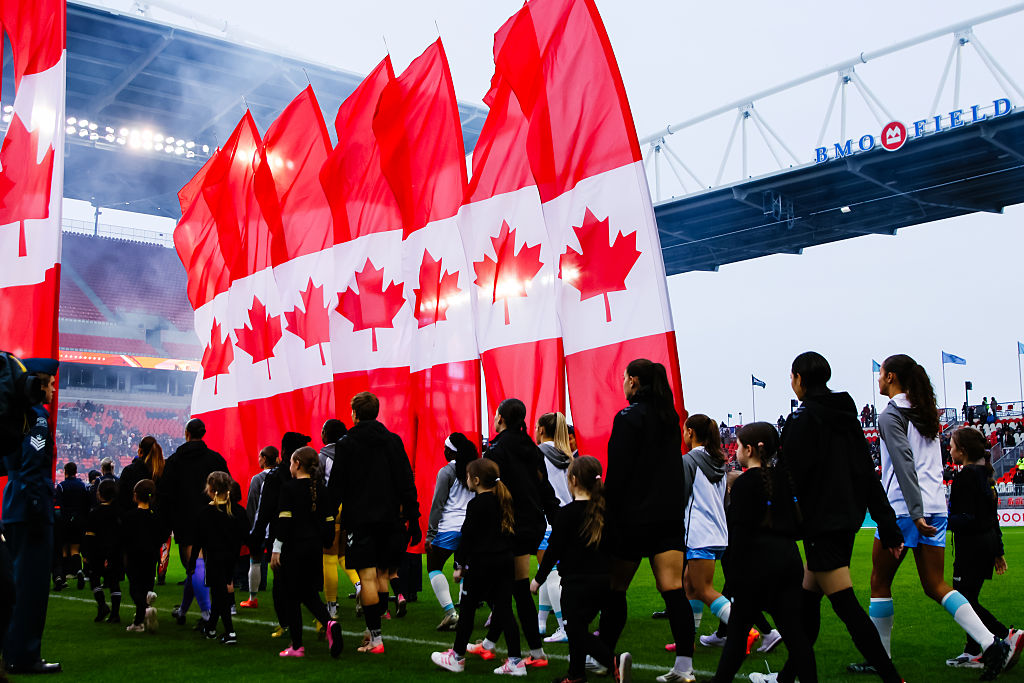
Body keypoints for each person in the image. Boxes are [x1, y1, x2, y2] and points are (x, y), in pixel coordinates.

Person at [855, 355, 1014, 679]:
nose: (879, 379)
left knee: (879, 581)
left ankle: (880, 659)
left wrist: (913, 513)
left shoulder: (890, 414)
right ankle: (991, 643)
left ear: (891, 377)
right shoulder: (925, 412)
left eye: (882, 374)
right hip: (936, 505)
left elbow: (902, 463)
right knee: (935, 584)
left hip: (905, 508)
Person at [778, 351, 904, 683]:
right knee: (808, 602)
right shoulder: (846, 416)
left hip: (820, 522)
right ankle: (786, 677)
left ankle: (892, 677)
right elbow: (866, 472)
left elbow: (787, 475)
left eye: (792, 378)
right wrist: (887, 525)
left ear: (800, 379)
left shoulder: (801, 420)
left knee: (845, 606)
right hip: (845, 519)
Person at [599, 359, 688, 683]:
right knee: (673, 589)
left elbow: (620, 472)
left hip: (633, 517)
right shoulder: (669, 418)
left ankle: (603, 655)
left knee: (615, 587)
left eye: (624, 378)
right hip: (668, 517)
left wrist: (608, 512)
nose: (623, 383)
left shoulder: (628, 417)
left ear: (634, 381)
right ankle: (684, 669)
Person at [708, 422, 815, 683]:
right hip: (788, 563)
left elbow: (739, 535)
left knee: (736, 636)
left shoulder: (744, 485)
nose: (736, 451)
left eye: (740, 446)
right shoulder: (784, 480)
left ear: (751, 449)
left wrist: (734, 575)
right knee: (796, 638)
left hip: (755, 569)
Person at [328, 391, 419, 654]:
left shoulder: (347, 444)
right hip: (391, 519)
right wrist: (412, 518)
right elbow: (406, 481)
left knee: (367, 577)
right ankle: (372, 630)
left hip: (361, 520)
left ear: (355, 414)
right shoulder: (392, 441)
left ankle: (376, 639)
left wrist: (326, 517)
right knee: (381, 575)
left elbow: (337, 486)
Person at [474, 398, 559, 666]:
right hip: (533, 524)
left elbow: (491, 492)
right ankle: (494, 644)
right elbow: (544, 488)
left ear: (500, 417)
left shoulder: (496, 449)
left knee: (509, 588)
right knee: (516, 586)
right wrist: (556, 518)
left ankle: (531, 653)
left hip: (510, 525)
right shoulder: (531, 448)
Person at [532, 455, 632, 683]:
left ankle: (612, 660)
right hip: (604, 583)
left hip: (576, 585)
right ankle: (575, 675)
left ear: (573, 480)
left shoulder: (566, 515)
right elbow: (618, 547)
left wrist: (538, 579)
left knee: (575, 632)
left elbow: (553, 551)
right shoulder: (606, 513)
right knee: (578, 628)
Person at [430, 458, 524, 675]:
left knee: (468, 609)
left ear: (477, 480)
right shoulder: (504, 500)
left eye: (468, 476)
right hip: (504, 562)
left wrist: (459, 565)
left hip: (482, 564)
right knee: (504, 610)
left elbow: (468, 537)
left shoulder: (476, 504)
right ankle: (516, 661)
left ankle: (457, 657)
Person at [945, 427, 1023, 669]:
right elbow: (992, 519)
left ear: (963, 450)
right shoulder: (984, 477)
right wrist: (998, 552)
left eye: (952, 445)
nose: (949, 449)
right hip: (985, 545)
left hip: (972, 547)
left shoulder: (966, 476)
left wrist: (938, 521)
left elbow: (968, 518)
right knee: (967, 598)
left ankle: (1007, 635)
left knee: (961, 600)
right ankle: (971, 650)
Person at [3, 357, 61, 674]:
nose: (53, 389)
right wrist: (40, 509)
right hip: (31, 510)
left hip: (14, 507)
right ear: (38, 384)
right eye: (50, 383)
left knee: (14, 586)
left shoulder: (14, 417)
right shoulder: (37, 418)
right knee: (31, 589)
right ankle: (25, 656)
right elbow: (32, 467)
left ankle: (12, 651)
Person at [159, 418, 229, 631]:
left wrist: (167, 522)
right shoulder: (215, 458)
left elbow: (165, 494)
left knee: (195, 565)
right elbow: (228, 486)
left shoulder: (174, 461)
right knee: (196, 567)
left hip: (186, 520)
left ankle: (207, 615)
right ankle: (183, 610)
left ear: (187, 434)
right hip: (215, 517)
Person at [272, 446, 342, 658]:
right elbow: (329, 521)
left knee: (291, 597)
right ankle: (329, 622)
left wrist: (277, 548)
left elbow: (284, 521)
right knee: (308, 593)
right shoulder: (322, 490)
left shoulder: (289, 488)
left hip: (293, 548)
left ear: (297, 464)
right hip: (314, 549)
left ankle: (297, 646)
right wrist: (325, 541)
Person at [254, 432, 311, 638]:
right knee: (305, 584)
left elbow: (266, 510)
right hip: (308, 538)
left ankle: (287, 625)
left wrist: (257, 535)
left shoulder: (277, 478)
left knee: (281, 584)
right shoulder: (314, 478)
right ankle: (324, 619)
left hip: (281, 537)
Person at [680, 414, 731, 644]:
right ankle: (688, 639)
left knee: (703, 589)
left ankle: (745, 629)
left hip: (699, 534)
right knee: (690, 585)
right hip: (718, 531)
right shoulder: (719, 461)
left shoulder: (689, 460)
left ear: (690, 432)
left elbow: (680, 497)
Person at [425, 433, 478, 632]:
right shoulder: (474, 469)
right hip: (471, 528)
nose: (443, 451)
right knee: (466, 568)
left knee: (434, 567)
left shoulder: (446, 471)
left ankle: (450, 613)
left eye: (445, 448)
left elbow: (437, 505)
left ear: (450, 451)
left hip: (448, 528)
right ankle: (466, 613)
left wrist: (431, 534)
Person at [190, 471, 248, 645]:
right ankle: (211, 627)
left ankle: (230, 632)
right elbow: (246, 535)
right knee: (219, 592)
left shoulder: (205, 513)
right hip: (232, 558)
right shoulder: (238, 511)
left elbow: (198, 541)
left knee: (219, 594)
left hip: (214, 558)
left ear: (210, 489)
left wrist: (192, 562)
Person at [535, 411, 574, 643]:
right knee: (551, 572)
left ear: (541, 430)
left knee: (550, 573)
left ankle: (563, 626)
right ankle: (541, 622)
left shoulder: (538, 454)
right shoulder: (568, 456)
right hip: (566, 519)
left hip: (546, 520)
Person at [318, 418, 355, 621]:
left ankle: (331, 606)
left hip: (332, 508)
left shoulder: (322, 456)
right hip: (351, 507)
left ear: (326, 434)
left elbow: (318, 484)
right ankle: (359, 587)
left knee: (329, 558)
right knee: (344, 555)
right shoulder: (353, 454)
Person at [122, 479, 167, 633]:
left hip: (134, 556)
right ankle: (144, 610)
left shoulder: (129, 516)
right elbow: (162, 536)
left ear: (135, 496)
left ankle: (141, 616)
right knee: (147, 585)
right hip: (151, 556)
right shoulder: (156, 516)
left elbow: (124, 538)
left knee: (135, 589)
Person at [241, 445, 278, 609]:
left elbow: (252, 506)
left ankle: (252, 598)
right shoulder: (283, 476)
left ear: (263, 459)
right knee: (278, 563)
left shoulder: (257, 479)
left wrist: (250, 529)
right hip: (278, 528)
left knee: (254, 561)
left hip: (261, 526)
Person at [84, 479, 122, 624]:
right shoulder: (118, 512)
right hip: (115, 552)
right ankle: (115, 614)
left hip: (98, 552)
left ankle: (102, 605)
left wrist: (86, 553)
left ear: (99, 494)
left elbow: (89, 535)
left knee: (94, 580)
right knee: (114, 582)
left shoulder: (95, 513)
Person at [54, 462, 90, 590]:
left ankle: (62, 578)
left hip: (65, 521)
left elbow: (58, 505)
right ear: (76, 471)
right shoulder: (83, 486)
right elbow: (86, 505)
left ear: (65, 471)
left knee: (64, 550)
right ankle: (79, 571)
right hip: (79, 521)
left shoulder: (61, 486)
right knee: (75, 549)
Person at [116, 436, 165, 515]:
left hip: (132, 518)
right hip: (158, 518)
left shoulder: (129, 471)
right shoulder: (163, 470)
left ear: (140, 451)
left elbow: (121, 498)